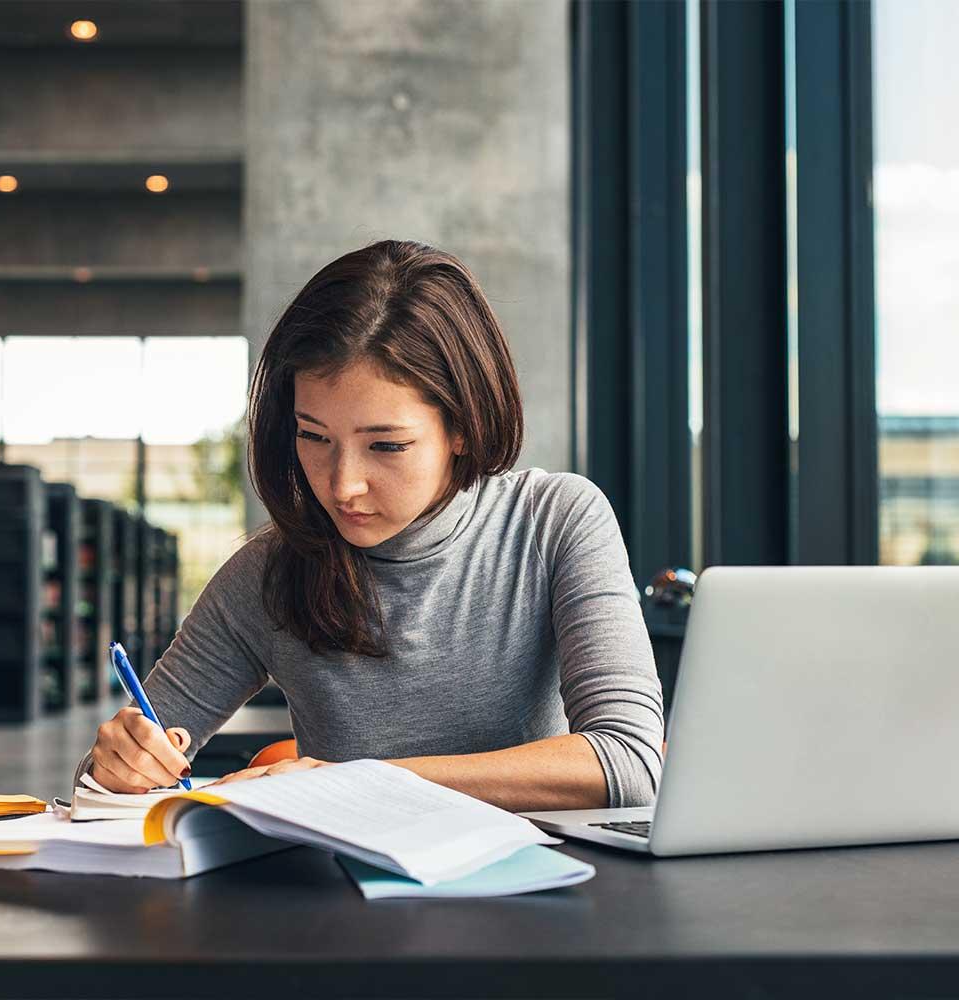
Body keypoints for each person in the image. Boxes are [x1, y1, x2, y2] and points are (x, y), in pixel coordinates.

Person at [75, 239, 664, 812]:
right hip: (347, 903)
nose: (341, 485)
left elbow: (629, 762)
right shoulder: (266, 573)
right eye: (314, 437)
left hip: (536, 896)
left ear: (463, 426)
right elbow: (97, 788)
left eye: (386, 445)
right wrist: (118, 766)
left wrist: (360, 783)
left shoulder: (553, 521)